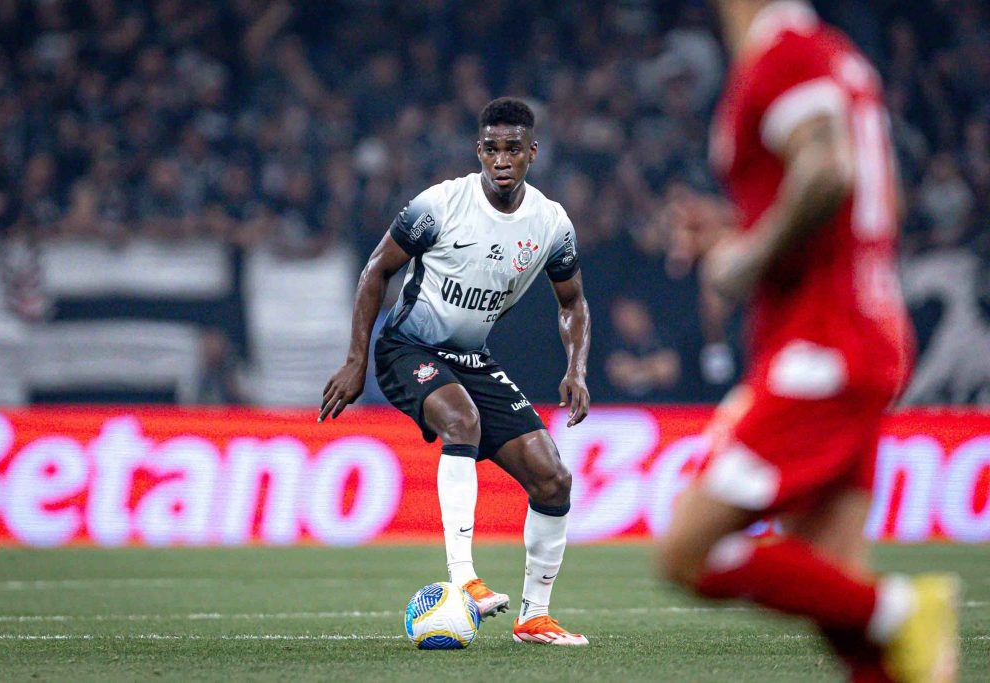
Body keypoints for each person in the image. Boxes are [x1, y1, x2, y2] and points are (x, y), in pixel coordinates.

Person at [658, 2, 959, 682]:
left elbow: (827, 170)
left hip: (823, 347)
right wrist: (742, 226)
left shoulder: (784, 53)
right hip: (859, 334)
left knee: (687, 549)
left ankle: (900, 606)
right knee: (835, 599)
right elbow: (867, 198)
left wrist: (747, 256)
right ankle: (890, 629)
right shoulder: (833, 54)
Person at [319, 97, 591, 646]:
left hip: (472, 360)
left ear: (532, 153)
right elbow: (377, 270)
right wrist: (356, 358)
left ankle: (533, 616)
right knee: (461, 420)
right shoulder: (440, 205)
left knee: (553, 478)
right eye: (491, 149)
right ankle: (463, 579)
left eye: (513, 149)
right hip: (406, 348)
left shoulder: (551, 224)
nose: (502, 159)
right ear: (479, 151)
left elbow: (573, 303)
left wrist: (576, 368)